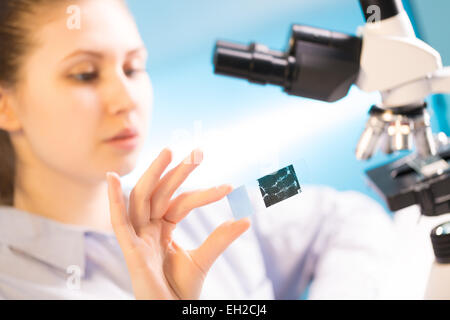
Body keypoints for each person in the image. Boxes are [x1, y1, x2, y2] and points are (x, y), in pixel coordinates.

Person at [0, 0, 397, 300]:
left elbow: (343, 212)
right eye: (84, 74)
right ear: (6, 105)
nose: (126, 98)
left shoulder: (202, 204)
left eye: (133, 68)